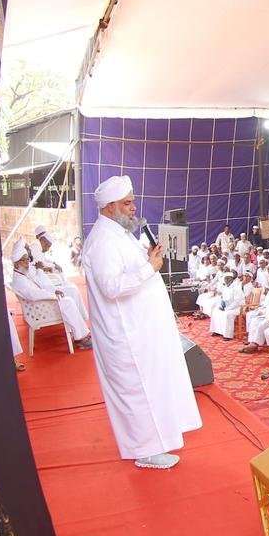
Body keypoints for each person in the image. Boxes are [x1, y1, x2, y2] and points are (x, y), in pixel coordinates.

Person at [80, 175, 201, 469]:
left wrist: (148, 259)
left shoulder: (121, 234)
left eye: (133, 201)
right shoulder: (104, 242)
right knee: (138, 390)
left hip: (142, 329)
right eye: (127, 203)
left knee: (152, 385)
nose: (134, 207)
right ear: (110, 208)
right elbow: (112, 287)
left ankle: (158, 439)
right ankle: (145, 450)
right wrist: (150, 268)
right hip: (127, 335)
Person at [9, 241, 93, 350]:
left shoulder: (22, 273)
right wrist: (53, 295)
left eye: (26, 259)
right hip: (39, 308)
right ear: (16, 264)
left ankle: (81, 331)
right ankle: (81, 338)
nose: (27, 262)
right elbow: (35, 295)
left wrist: (53, 291)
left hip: (41, 303)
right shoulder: (20, 280)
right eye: (23, 260)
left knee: (69, 296)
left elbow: (38, 287)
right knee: (68, 302)